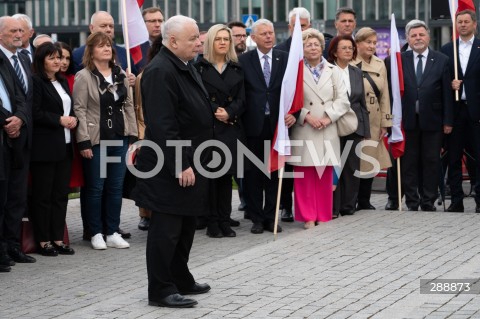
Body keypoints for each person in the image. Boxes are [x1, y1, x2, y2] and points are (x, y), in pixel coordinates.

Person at [132, 15, 212, 308]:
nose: (199, 42)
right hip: (169, 167)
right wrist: (180, 163)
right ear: (173, 41)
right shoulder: (160, 71)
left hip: (191, 160)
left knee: (186, 225)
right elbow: (163, 125)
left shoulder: (182, 65)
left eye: (198, 37)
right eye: (193, 38)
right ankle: (161, 290)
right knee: (166, 230)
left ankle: (181, 278)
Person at [73, 32, 138, 250]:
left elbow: (128, 105)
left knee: (115, 187)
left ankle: (112, 231)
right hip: (97, 140)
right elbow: (79, 109)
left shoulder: (120, 74)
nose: (107, 49)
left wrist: (132, 134)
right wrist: (83, 141)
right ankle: (95, 232)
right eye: (101, 46)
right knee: (96, 188)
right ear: (91, 51)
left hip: (119, 138)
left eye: (108, 45)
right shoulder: (84, 76)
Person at [288, 28, 350, 229]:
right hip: (305, 127)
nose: (312, 47)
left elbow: (343, 100)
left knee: (324, 174)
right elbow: (289, 99)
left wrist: (327, 117)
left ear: (322, 47)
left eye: (316, 44)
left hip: (327, 127)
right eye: (308, 44)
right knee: (304, 175)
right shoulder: (295, 71)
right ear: (302, 48)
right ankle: (308, 217)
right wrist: (306, 116)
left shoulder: (334, 71)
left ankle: (323, 214)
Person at [239, 19, 293, 234]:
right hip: (252, 126)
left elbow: (294, 90)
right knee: (252, 175)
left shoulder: (285, 59)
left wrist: (294, 114)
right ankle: (256, 219)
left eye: (271, 33)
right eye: (264, 34)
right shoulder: (244, 61)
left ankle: (272, 217)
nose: (269, 36)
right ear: (253, 37)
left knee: (273, 174)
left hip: (277, 125)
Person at [195, 24, 246, 238]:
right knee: (210, 178)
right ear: (210, 42)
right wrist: (217, 111)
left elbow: (243, 98)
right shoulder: (198, 68)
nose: (223, 42)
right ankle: (213, 222)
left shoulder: (236, 68)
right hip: (210, 129)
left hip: (230, 128)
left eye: (226, 39)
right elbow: (198, 97)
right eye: (219, 39)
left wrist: (230, 112)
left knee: (226, 179)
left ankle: (225, 220)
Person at [400, 20, 453, 211]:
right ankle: (412, 201)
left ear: (428, 36)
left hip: (433, 121)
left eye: (421, 34)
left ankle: (428, 201)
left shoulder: (441, 60)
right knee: (409, 163)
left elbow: (447, 93)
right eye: (413, 35)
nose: (418, 38)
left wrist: (448, 121)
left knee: (431, 162)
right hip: (407, 121)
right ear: (407, 39)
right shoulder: (399, 59)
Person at [30, 42, 77, 256]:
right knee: (43, 196)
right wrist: (59, 119)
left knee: (60, 195)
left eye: (59, 57)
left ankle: (58, 238)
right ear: (41, 61)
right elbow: (35, 112)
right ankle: (43, 240)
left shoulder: (62, 82)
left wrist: (72, 120)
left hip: (65, 146)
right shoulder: (36, 82)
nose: (58, 61)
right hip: (45, 147)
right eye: (52, 58)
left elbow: (69, 107)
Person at [0, 16, 36, 267]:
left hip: (21, 137)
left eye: (21, 30)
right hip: (3, 136)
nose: (18, 34)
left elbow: (25, 97)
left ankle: (13, 246)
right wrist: (8, 122)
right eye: (13, 30)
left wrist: (20, 119)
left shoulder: (23, 58)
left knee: (17, 196)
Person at [441, 10, 480, 213]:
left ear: (474, 24)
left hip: (476, 113)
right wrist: (450, 84)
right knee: (454, 157)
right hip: (455, 113)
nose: (463, 25)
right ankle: (456, 200)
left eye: (466, 21)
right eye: (459, 22)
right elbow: (439, 81)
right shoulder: (447, 50)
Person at [275, 7, 311, 223]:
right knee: (288, 164)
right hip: (287, 119)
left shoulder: (317, 49)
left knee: (308, 164)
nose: (301, 30)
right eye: (298, 26)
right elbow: (283, 89)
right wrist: (290, 113)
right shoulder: (281, 52)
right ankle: (286, 206)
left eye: (305, 26)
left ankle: (307, 205)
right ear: (290, 27)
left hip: (311, 119)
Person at [328, 35, 370, 217]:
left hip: (354, 125)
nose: (348, 50)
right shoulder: (328, 70)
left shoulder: (356, 72)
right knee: (335, 165)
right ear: (334, 52)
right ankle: (333, 207)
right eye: (343, 47)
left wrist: (366, 129)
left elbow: (362, 103)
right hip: (333, 125)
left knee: (352, 167)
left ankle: (348, 205)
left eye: (350, 48)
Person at [353, 27, 392, 211]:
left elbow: (385, 95)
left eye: (374, 43)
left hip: (375, 117)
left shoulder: (380, 63)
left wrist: (386, 121)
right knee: (353, 158)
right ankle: (349, 199)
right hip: (355, 117)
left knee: (369, 158)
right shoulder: (350, 61)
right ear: (358, 43)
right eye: (368, 42)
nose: (372, 46)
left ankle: (364, 200)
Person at [135, 35, 164, 231]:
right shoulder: (144, 75)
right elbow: (139, 108)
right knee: (148, 177)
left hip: (170, 134)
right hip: (148, 133)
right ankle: (145, 214)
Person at [72, 11, 138, 79]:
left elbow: (135, 76)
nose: (108, 30)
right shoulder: (77, 55)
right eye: (103, 26)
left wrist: (133, 81)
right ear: (91, 28)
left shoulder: (125, 53)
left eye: (111, 26)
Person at [226, 21, 248, 214]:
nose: (242, 39)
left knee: (246, 167)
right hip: (229, 121)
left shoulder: (249, 60)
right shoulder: (226, 63)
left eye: (244, 35)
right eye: (237, 36)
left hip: (249, 122)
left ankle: (247, 200)